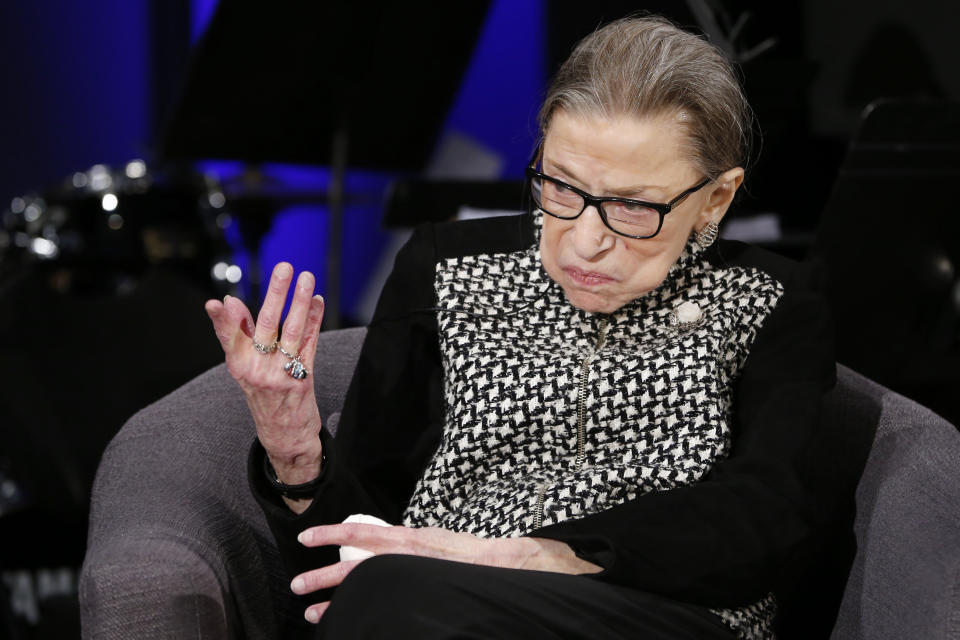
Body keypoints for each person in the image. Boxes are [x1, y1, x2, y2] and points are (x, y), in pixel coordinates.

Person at [204, 15, 835, 640]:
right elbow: (348, 551)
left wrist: (525, 556)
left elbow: (764, 520)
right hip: (422, 609)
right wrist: (293, 445)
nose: (586, 242)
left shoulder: (766, 298)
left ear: (717, 199)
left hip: (661, 614)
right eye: (561, 188)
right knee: (379, 594)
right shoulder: (447, 270)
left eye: (633, 207)